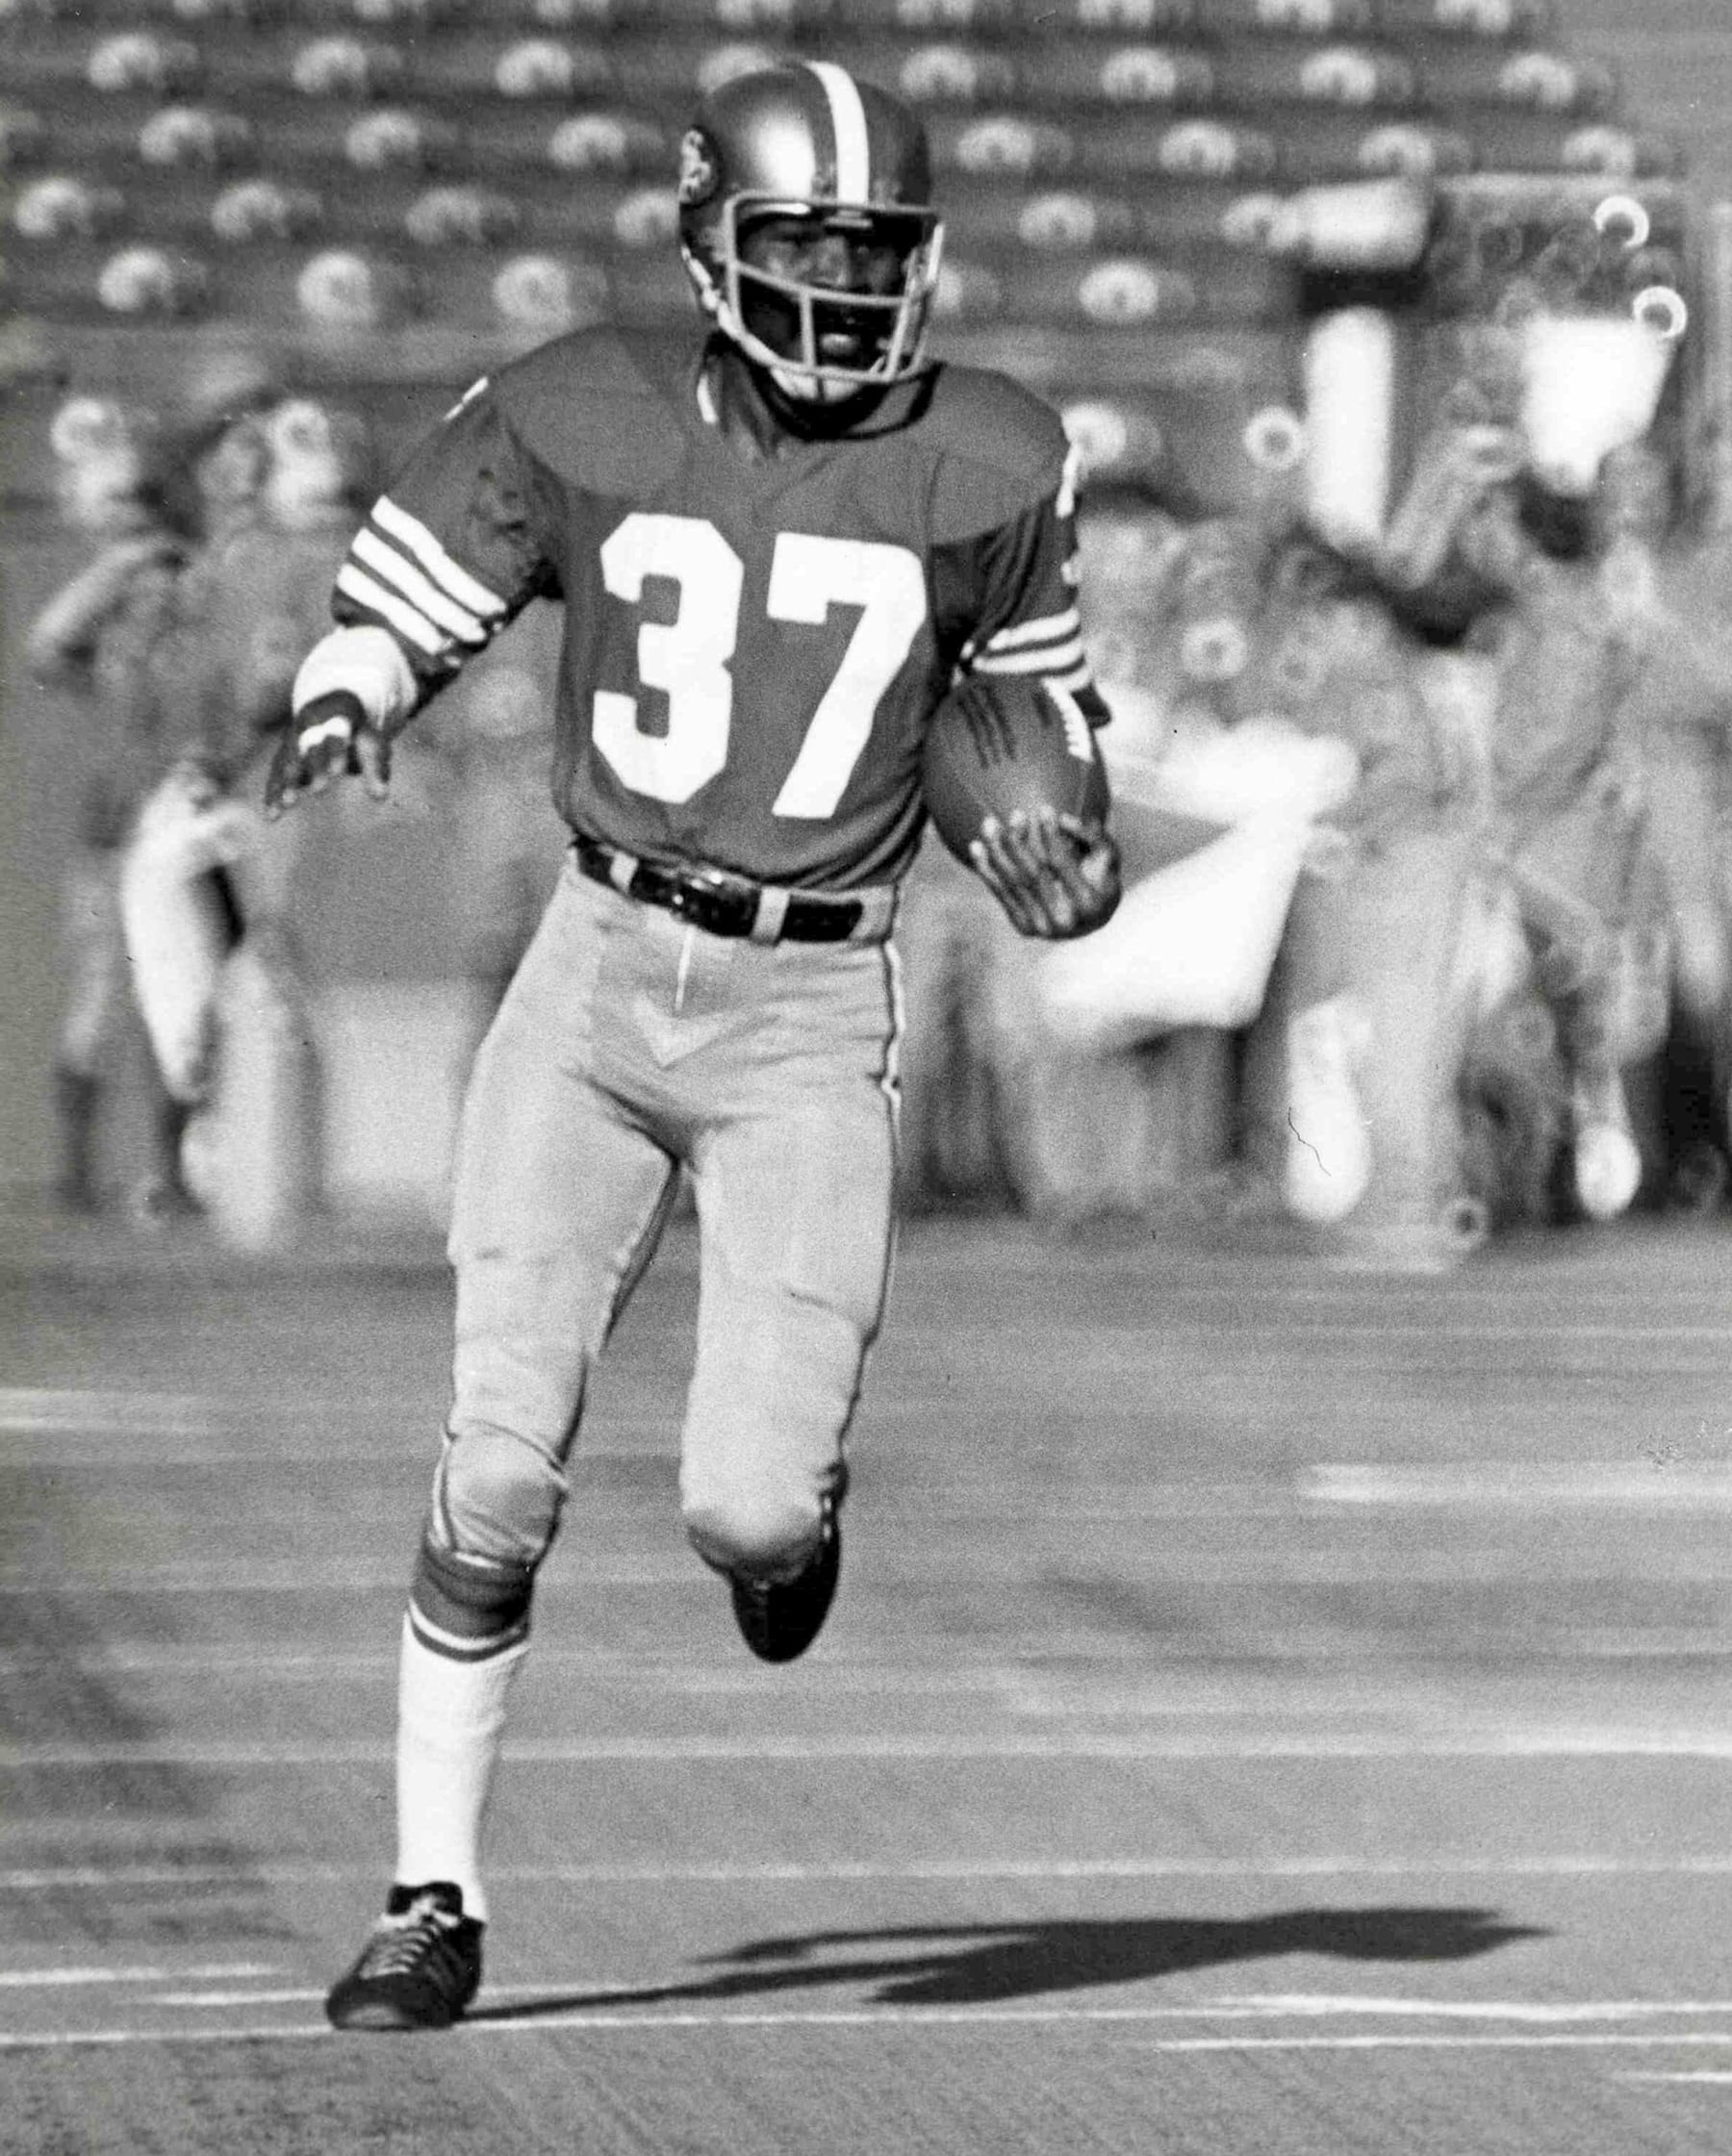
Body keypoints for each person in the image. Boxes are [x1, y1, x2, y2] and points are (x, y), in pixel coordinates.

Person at [264, 61, 1121, 2033]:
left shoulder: (984, 457)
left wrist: (1059, 842)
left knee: (744, 1502)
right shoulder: (591, 404)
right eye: (803, 247)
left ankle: (787, 1529)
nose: (841, 291)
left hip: (811, 1009)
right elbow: (407, 595)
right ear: (705, 237)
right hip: (594, 970)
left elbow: (1046, 730)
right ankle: (431, 1895)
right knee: (494, 1465)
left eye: (873, 254)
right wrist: (346, 689)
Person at [26, 395, 194, 1217]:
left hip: (180, 844)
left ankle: (173, 1172)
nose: (157, 594)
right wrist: (123, 565)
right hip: (111, 841)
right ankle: (76, 1173)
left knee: (183, 1003)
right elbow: (46, 644)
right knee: (99, 1000)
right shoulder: (111, 657)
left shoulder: (197, 651)